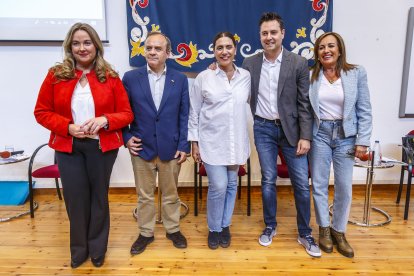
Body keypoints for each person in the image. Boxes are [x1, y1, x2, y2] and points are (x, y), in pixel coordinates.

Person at [34, 23, 134, 268]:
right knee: (76, 200)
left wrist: (105, 119)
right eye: (76, 43)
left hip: (102, 148)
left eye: (87, 42)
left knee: (99, 198)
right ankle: (79, 250)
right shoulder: (55, 75)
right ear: (70, 47)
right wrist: (67, 126)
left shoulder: (110, 76)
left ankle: (98, 249)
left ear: (96, 46)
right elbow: (41, 112)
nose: (82, 48)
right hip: (69, 149)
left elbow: (127, 114)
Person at [242, 12, 320, 257]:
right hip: (263, 128)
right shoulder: (249, 64)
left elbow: (304, 103)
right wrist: (215, 68)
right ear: (260, 36)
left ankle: (305, 232)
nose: (269, 37)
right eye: (264, 33)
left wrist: (305, 136)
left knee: (301, 184)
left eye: (273, 32)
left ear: (282, 34)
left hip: (292, 131)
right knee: (267, 180)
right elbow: (231, 82)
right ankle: (270, 225)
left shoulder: (297, 63)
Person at [122, 31, 190, 255]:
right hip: (142, 148)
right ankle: (145, 233)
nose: (152, 52)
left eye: (157, 48)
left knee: (171, 194)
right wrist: (125, 137)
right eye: (148, 47)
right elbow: (122, 112)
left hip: (171, 148)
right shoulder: (131, 78)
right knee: (144, 195)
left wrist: (183, 145)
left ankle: (173, 229)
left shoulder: (180, 79)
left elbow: (184, 114)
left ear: (168, 53)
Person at [309, 32, 372, 258]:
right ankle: (324, 230)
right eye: (321, 47)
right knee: (319, 184)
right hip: (320, 134)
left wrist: (363, 141)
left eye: (331, 46)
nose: (326, 50)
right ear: (317, 53)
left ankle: (339, 231)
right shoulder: (311, 76)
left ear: (340, 49)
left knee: (344, 187)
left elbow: (364, 109)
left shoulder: (356, 73)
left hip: (346, 135)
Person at [189, 32, 251, 250]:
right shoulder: (204, 78)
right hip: (212, 142)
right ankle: (214, 228)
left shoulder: (246, 76)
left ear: (235, 50)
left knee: (232, 184)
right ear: (213, 51)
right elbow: (194, 111)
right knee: (219, 185)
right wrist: (194, 142)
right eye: (219, 47)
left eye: (228, 47)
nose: (224, 51)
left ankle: (225, 225)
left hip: (236, 141)